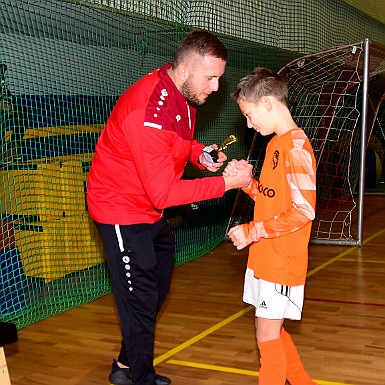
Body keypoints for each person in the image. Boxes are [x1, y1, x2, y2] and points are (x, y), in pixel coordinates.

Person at [86, 30, 253, 385]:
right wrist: (226, 183)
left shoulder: (182, 94)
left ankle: (125, 365)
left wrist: (198, 154)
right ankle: (139, 377)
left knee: (157, 284)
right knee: (140, 294)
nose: (216, 87)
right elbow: (163, 193)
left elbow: (179, 142)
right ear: (185, 70)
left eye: (218, 78)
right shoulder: (149, 112)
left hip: (147, 206)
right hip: (119, 208)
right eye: (210, 77)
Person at [225, 67, 317, 385]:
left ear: (267, 103)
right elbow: (271, 196)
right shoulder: (276, 144)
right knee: (270, 331)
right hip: (265, 256)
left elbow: (304, 211)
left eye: (250, 116)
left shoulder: (295, 148)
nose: (250, 125)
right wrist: (247, 183)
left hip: (281, 259)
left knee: (266, 334)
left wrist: (252, 230)